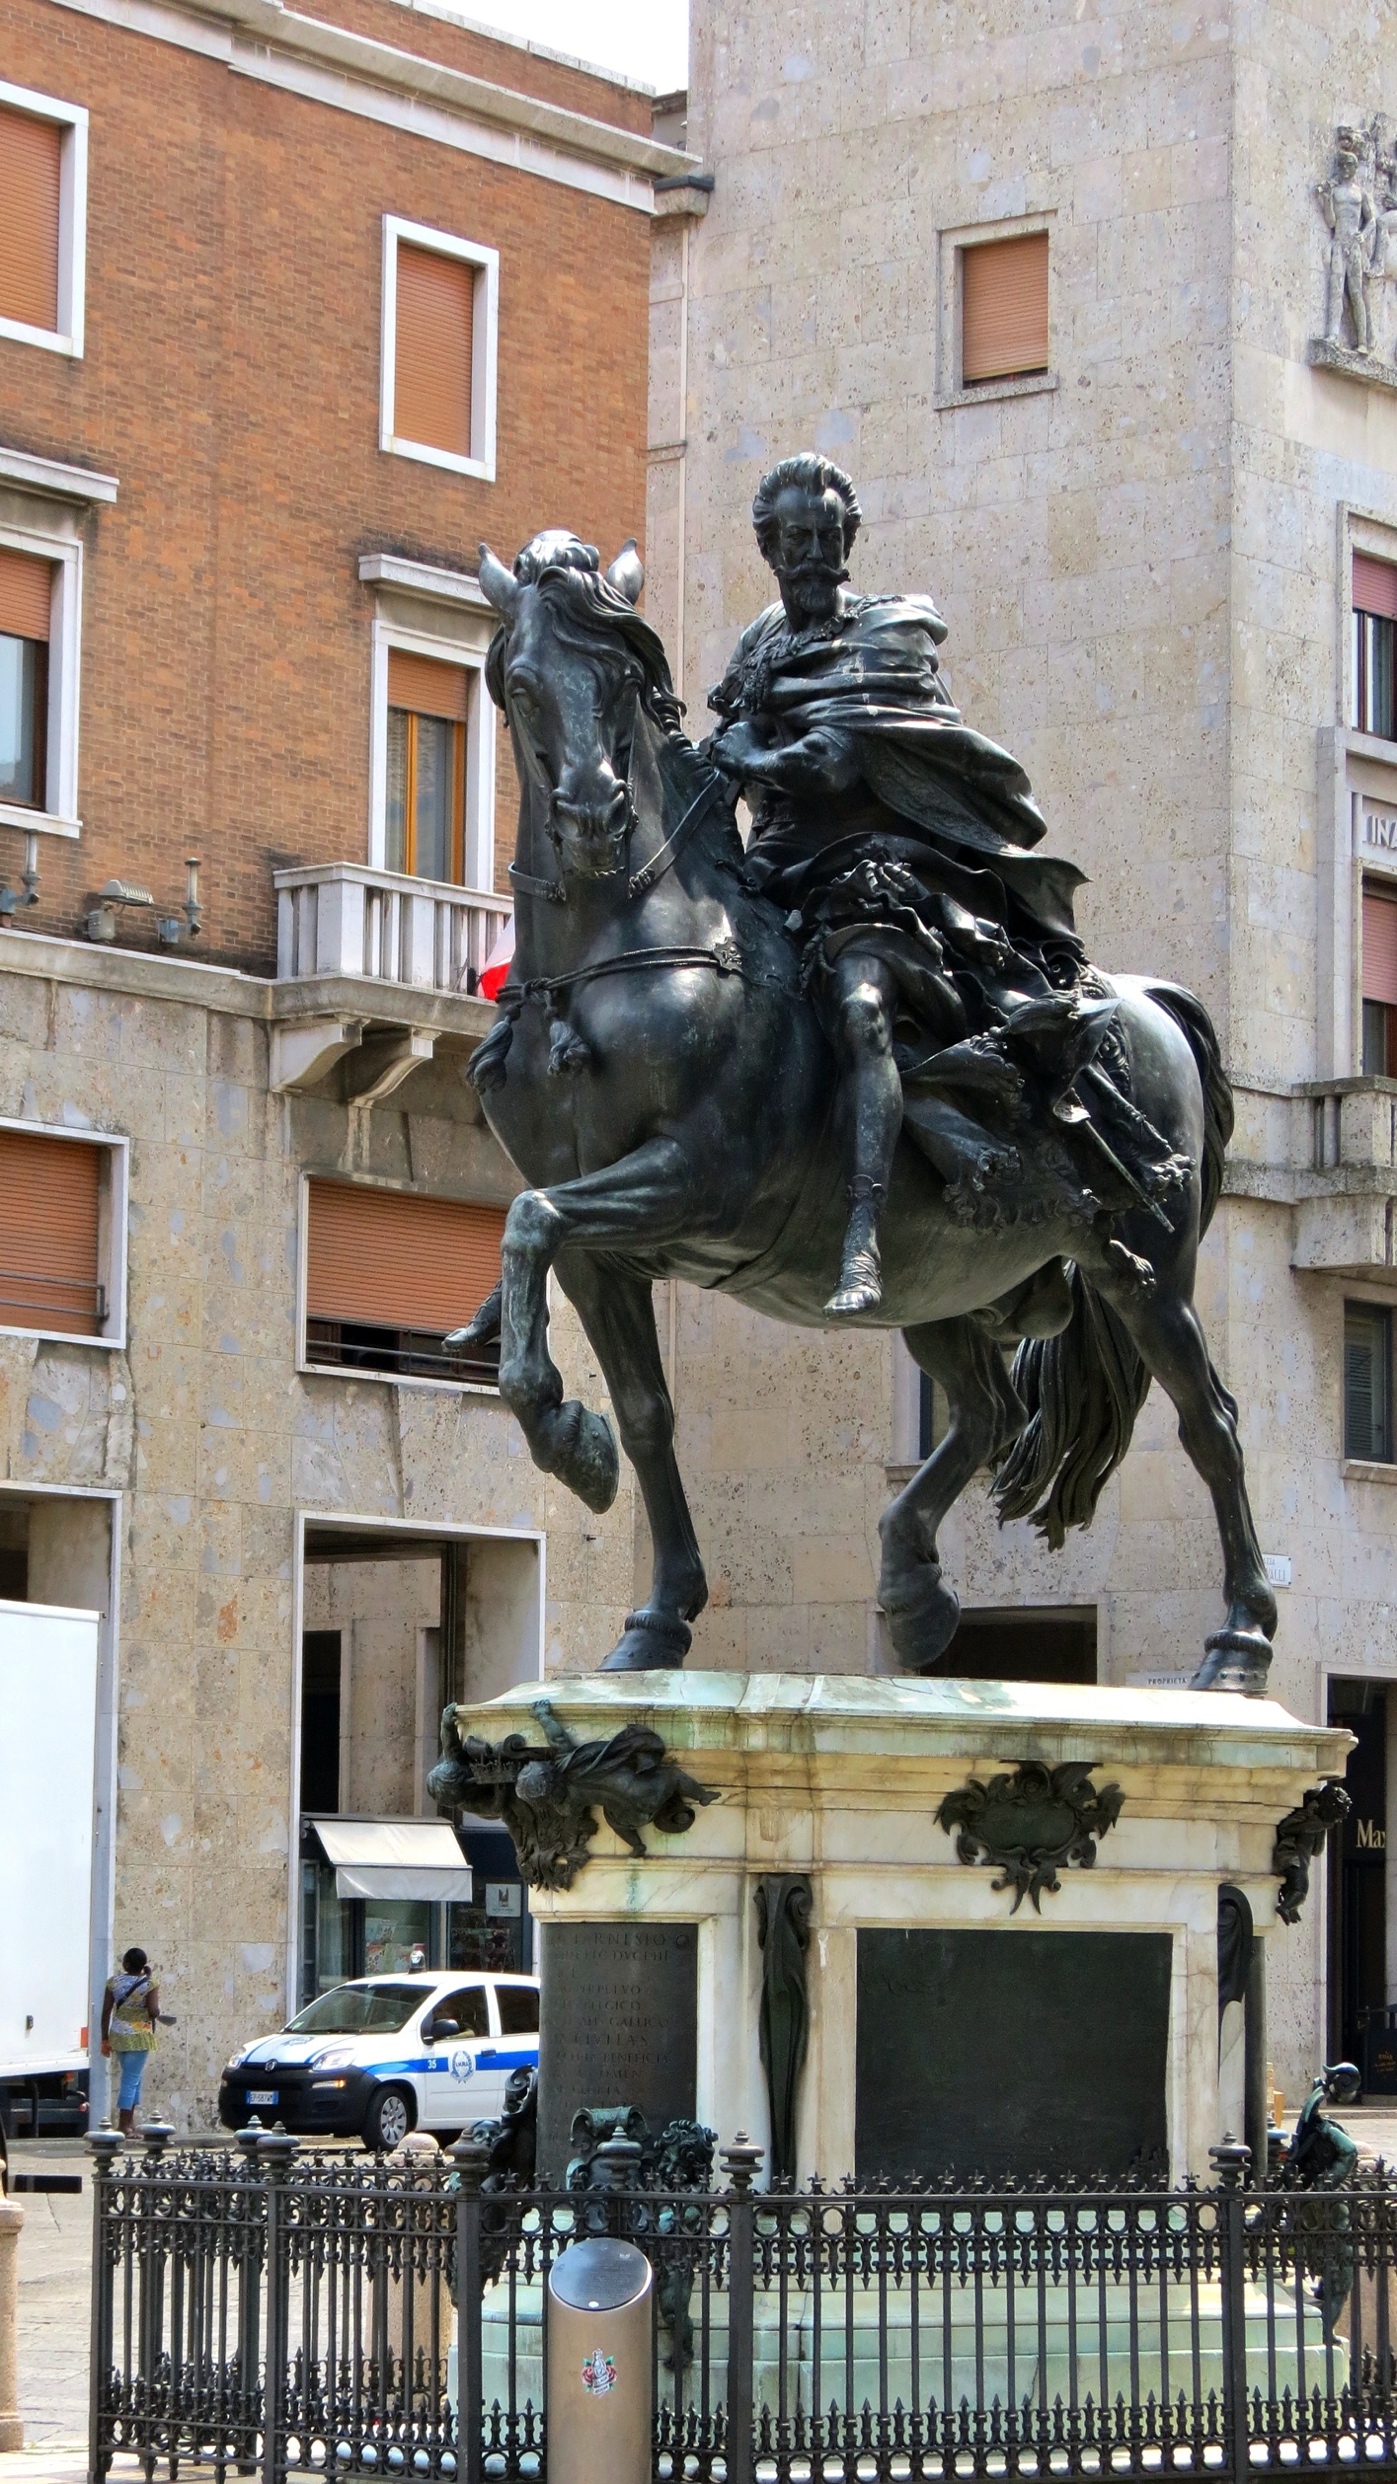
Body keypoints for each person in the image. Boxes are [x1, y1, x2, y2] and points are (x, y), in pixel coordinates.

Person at [706, 453, 1114, 1314]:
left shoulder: (884, 635)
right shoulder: (757, 643)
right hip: (767, 874)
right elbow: (726, 753)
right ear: (769, 549)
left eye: (827, 538)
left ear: (847, 541)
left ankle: (860, 1236)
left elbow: (833, 758)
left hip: (867, 873)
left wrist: (754, 754)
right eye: (796, 542)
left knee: (859, 1013)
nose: (814, 557)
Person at [101, 1947, 159, 2137]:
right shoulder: (149, 1984)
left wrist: (104, 2038)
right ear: (143, 1965)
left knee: (134, 2078)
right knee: (131, 2080)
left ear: (125, 1964)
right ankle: (124, 2125)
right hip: (139, 2036)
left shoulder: (113, 1982)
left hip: (118, 2034)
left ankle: (130, 2122)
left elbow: (106, 2012)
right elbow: (153, 2011)